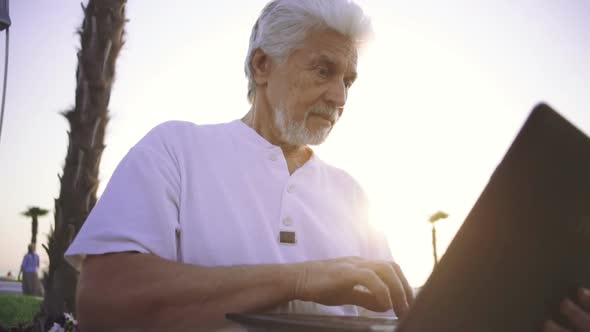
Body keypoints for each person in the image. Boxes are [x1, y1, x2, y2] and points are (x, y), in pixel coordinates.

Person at [64, 1, 590, 331]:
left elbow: (400, 322)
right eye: (323, 69)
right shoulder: (176, 151)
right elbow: (105, 303)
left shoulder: (353, 196)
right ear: (262, 66)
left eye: (349, 80)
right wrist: (304, 279)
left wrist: (524, 315)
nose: (339, 95)